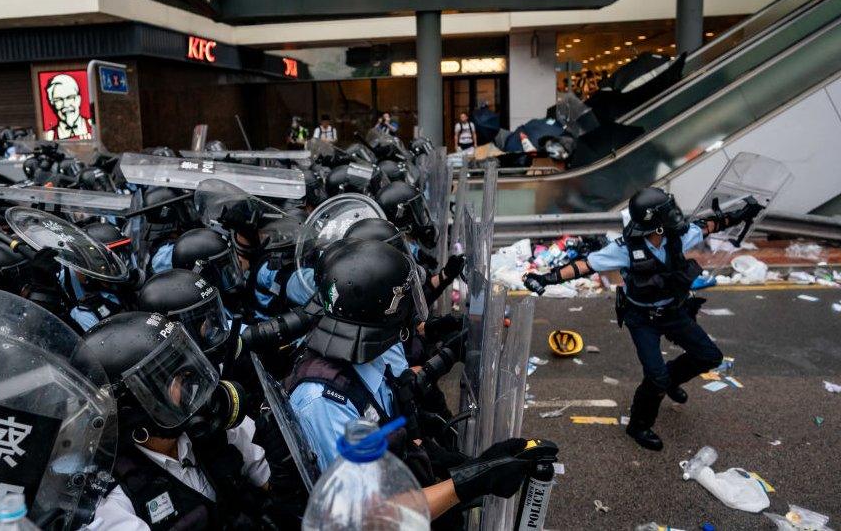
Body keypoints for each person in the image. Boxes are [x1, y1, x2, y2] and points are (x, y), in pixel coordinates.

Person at [284, 239, 554, 523]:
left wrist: (477, 463)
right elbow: (370, 518)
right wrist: (470, 481)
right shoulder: (324, 401)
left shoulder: (361, 358)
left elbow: (392, 423)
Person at [523, 187, 764, 450]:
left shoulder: (677, 237)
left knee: (709, 356)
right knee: (655, 377)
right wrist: (545, 278)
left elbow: (708, 226)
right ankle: (639, 425)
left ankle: (670, 380)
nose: (674, 215)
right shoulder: (625, 249)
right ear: (655, 223)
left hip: (674, 312)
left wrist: (741, 214)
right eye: (667, 212)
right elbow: (585, 265)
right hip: (642, 318)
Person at [82, 312, 271, 530]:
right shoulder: (115, 504)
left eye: (186, 372)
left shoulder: (209, 427)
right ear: (132, 409)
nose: (191, 388)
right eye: (173, 380)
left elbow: (271, 480)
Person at [43, 73, 92, 141]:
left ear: (78, 99)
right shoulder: (49, 137)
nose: (65, 105)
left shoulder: (94, 126)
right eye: (59, 100)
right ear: (52, 103)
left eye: (70, 97)